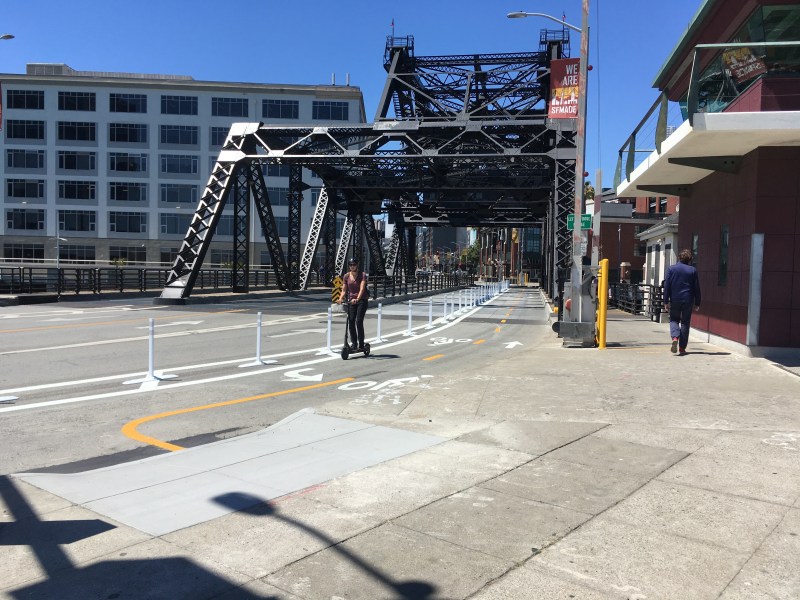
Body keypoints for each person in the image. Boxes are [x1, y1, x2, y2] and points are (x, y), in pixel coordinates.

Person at [663, 248, 701, 355]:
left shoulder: (671, 269)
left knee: (674, 320)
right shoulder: (692, 270)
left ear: (679, 257)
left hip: (675, 299)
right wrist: (697, 302)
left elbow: (667, 286)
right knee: (685, 323)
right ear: (689, 259)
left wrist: (665, 301)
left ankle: (675, 338)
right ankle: (682, 348)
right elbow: (696, 287)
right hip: (688, 299)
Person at [338, 257, 369, 351]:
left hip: (362, 300)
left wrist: (357, 299)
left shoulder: (362, 275)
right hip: (351, 301)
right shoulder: (346, 276)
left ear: (357, 265)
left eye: (354, 265)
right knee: (351, 321)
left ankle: (361, 343)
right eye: (350, 265)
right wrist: (340, 298)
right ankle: (354, 343)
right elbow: (344, 290)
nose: (352, 266)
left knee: (358, 321)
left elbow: (362, 288)